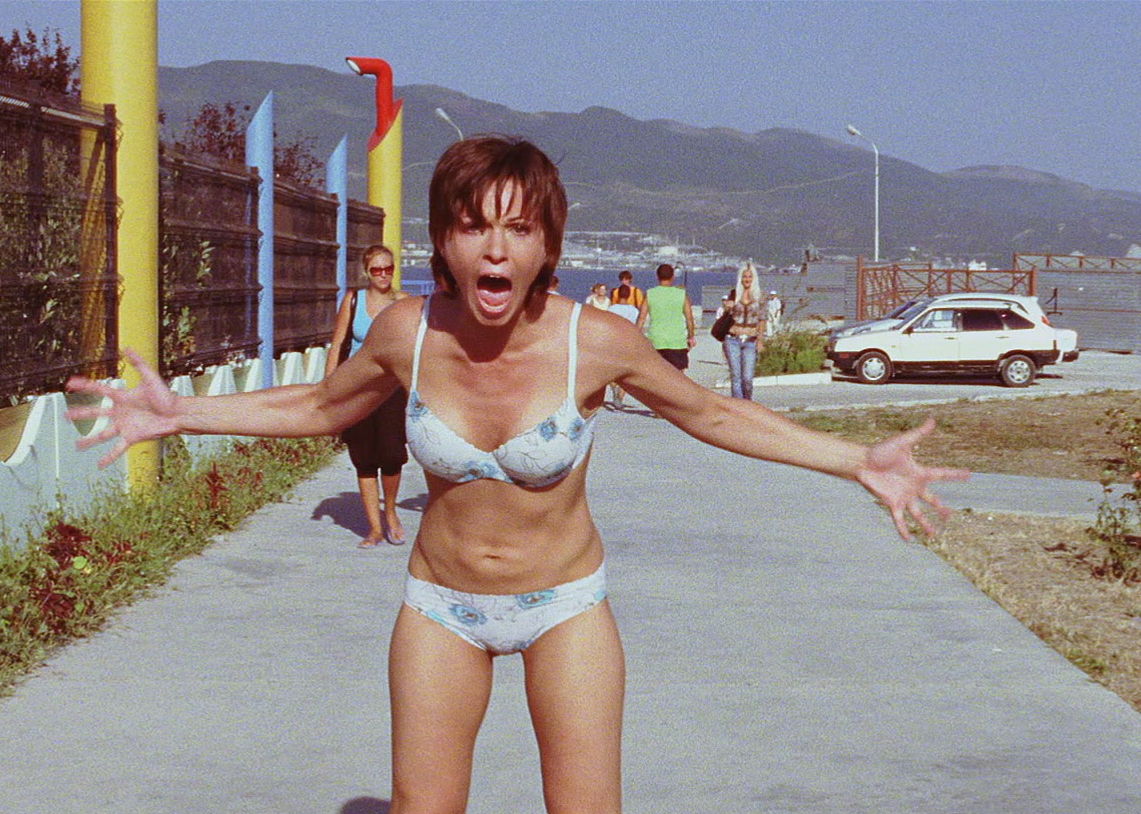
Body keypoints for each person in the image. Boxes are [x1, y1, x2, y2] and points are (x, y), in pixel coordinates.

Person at [67, 135, 967, 814]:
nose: (495, 250)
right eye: (473, 227)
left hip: (564, 606)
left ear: (546, 246)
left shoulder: (594, 341)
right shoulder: (408, 333)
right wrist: (183, 414)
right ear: (442, 241)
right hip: (440, 607)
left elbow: (712, 412)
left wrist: (856, 461)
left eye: (518, 229)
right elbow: (318, 405)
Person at [324, 244, 410, 547]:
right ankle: (374, 528)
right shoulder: (353, 300)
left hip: (392, 389)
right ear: (366, 272)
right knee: (363, 458)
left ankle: (391, 512)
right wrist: (329, 387)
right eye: (377, 270)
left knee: (392, 455)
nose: (383, 275)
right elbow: (338, 344)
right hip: (356, 388)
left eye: (389, 269)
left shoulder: (404, 303)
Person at [636, 262, 696, 372]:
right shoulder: (681, 294)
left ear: (657, 276)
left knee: (656, 375)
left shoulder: (650, 293)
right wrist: (691, 336)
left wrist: (636, 336)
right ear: (673, 276)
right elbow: (689, 319)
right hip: (677, 342)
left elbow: (641, 318)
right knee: (678, 376)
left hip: (655, 341)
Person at [723, 263, 764, 401]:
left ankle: (747, 402)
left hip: (750, 340)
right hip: (733, 339)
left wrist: (760, 340)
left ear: (754, 278)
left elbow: (762, 319)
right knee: (736, 376)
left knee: (747, 378)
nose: (747, 279)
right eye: (744, 276)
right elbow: (726, 316)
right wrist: (728, 307)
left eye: (750, 276)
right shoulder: (734, 294)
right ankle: (738, 406)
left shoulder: (759, 296)